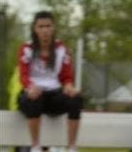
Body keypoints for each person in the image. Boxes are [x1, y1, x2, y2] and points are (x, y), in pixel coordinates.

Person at [17, 10, 84, 151]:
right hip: (32, 94)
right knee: (34, 99)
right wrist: (30, 87)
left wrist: (69, 87)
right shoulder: (26, 48)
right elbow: (23, 75)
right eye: (41, 27)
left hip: (54, 95)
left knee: (76, 99)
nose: (45, 30)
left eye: (48, 26)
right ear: (35, 29)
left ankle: (71, 147)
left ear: (53, 28)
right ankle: (35, 146)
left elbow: (67, 76)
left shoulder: (61, 49)